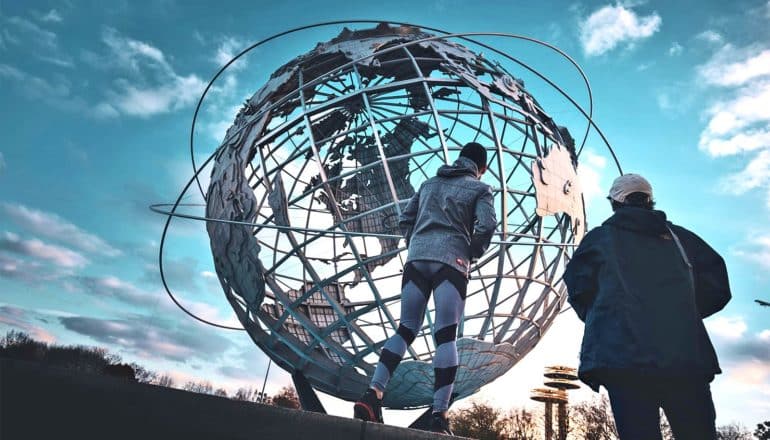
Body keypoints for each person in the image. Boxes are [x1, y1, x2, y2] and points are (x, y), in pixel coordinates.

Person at [564, 173, 731, 440]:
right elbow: (718, 288)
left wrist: (605, 320)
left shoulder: (599, 240)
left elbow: (578, 288)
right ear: (650, 201)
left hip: (623, 361)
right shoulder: (682, 239)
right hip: (684, 359)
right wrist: (680, 311)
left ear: (615, 203)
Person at [353, 142, 497, 434]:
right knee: (445, 336)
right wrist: (472, 251)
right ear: (481, 168)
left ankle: (373, 393)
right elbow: (488, 225)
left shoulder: (429, 183)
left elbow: (406, 219)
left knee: (405, 328)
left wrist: (418, 244)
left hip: (416, 262)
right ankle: (439, 414)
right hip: (452, 263)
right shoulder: (480, 189)